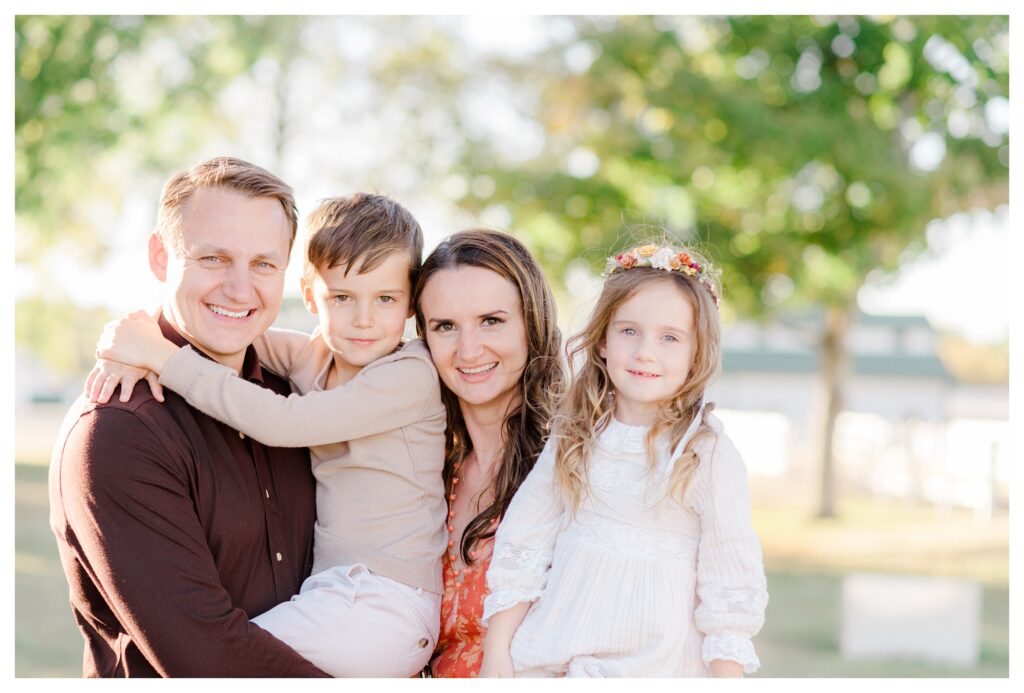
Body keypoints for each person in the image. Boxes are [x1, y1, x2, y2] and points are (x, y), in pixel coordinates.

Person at [87, 193, 447, 677]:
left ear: (410, 302)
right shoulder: (317, 355)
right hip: (339, 593)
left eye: (385, 298)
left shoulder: (409, 373)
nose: (364, 319)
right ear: (310, 291)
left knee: (220, 663)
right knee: (218, 658)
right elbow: (222, 327)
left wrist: (165, 360)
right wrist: (134, 342)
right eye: (342, 297)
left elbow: (282, 423)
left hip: (386, 600)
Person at [49, 156, 327, 676]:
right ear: (161, 256)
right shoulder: (119, 431)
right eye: (214, 259)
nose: (241, 290)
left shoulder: (302, 400)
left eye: (264, 264)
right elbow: (208, 657)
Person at [479, 242, 769, 677]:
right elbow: (526, 540)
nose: (645, 352)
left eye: (670, 337)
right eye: (629, 331)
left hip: (655, 668)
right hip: (553, 656)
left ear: (696, 354)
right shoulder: (574, 435)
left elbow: (729, 582)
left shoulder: (704, 453)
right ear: (601, 341)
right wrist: (497, 648)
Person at [412, 229, 564, 677]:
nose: (469, 349)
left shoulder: (574, 463)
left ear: (531, 323)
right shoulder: (428, 473)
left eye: (491, 321)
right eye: (445, 327)